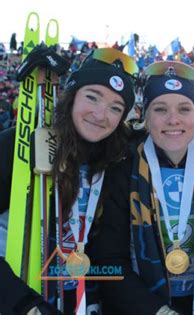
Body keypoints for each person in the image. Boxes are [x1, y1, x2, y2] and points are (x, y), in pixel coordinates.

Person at [0, 47, 138, 314]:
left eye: (115, 107)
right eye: (93, 97)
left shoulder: (116, 161)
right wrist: (22, 304)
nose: (100, 114)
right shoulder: (23, 145)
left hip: (79, 298)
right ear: (72, 96)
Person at [95, 61, 194, 315]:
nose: (173, 119)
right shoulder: (122, 167)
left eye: (184, 109)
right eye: (160, 109)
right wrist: (156, 310)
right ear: (146, 117)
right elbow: (109, 260)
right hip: (142, 305)